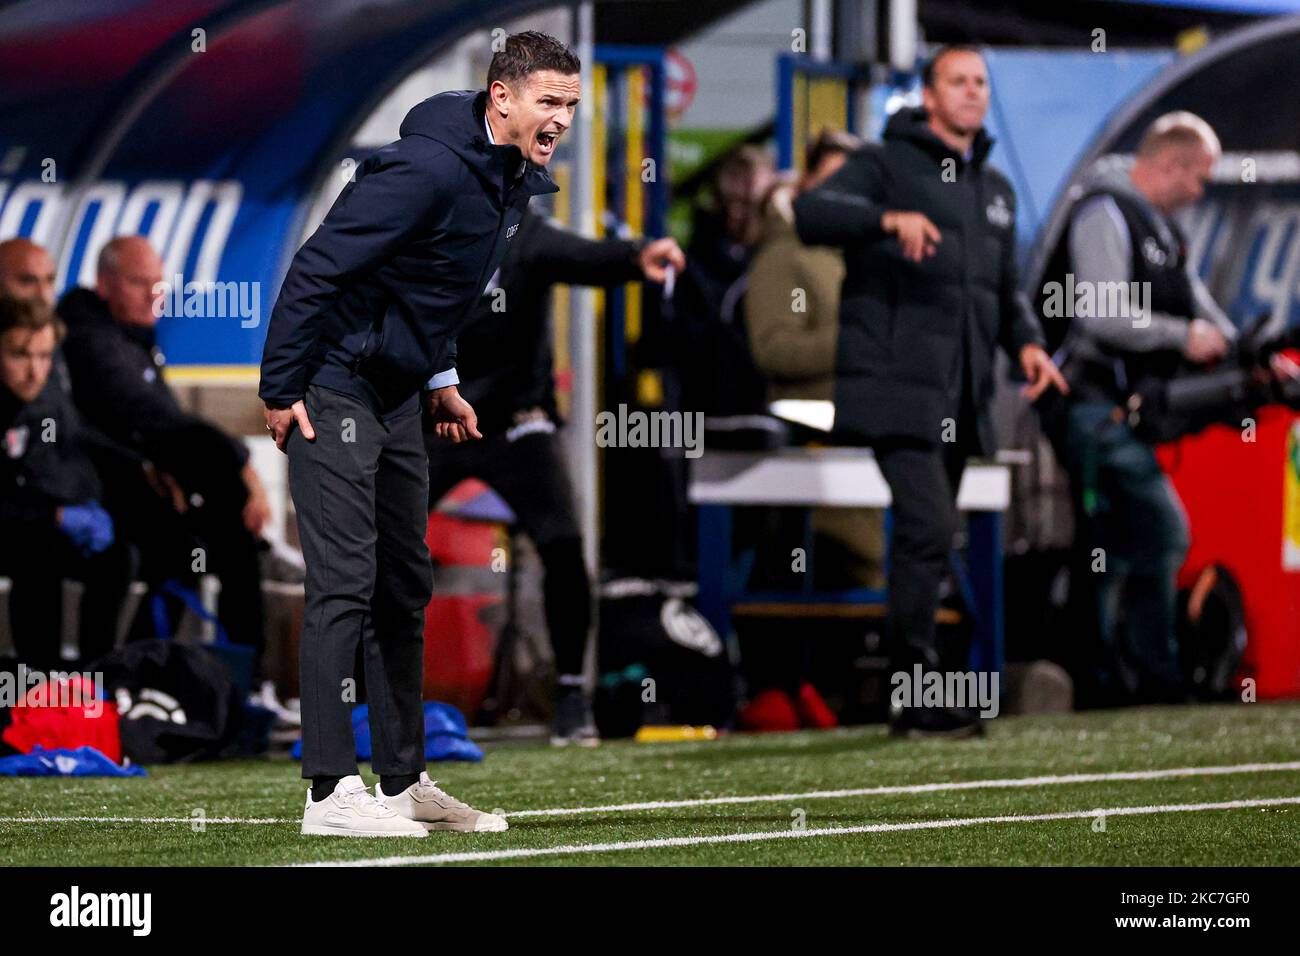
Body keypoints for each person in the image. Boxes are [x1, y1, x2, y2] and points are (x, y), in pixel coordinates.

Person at [260, 31, 579, 837]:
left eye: (570, 106)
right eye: (548, 102)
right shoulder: (429, 168)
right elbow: (318, 267)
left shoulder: (509, 176)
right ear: (501, 97)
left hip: (399, 393)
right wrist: (280, 387)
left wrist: (441, 379)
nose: (561, 120)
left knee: (406, 586)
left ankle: (403, 783)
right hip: (332, 384)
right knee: (344, 583)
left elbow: (432, 286)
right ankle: (330, 793)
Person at [793, 45, 1066, 737]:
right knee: (926, 527)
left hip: (962, 398)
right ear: (931, 93)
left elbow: (1003, 291)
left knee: (930, 534)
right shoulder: (886, 164)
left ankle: (919, 688)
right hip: (894, 389)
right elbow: (812, 213)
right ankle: (912, 693)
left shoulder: (997, 190)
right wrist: (886, 220)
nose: (973, 92)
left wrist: (1029, 343)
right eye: (958, 81)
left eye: (981, 82)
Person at [425, 207, 684, 746]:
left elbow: (583, 257)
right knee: (380, 546)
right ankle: (358, 694)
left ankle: (570, 692)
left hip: (518, 419)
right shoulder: (421, 227)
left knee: (563, 545)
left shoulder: (523, 230)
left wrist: (637, 256)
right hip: (437, 416)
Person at [1036, 112, 1248, 704]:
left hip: (1116, 408)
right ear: (1171, 164)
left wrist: (1250, 354)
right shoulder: (1104, 210)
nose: (1200, 190)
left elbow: (1209, 318)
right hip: (1086, 403)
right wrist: (1183, 337)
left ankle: (1114, 676)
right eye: (1199, 177)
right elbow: (1100, 316)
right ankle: (1139, 676)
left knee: (1118, 540)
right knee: (1157, 529)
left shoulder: (1161, 231)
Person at [57, 237, 270, 659]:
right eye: (140, 282)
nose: (155, 294)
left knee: (228, 537)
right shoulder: (86, 333)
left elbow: (163, 423)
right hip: (91, 490)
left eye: (160, 282)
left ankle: (230, 677)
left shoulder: (136, 336)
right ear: (105, 284)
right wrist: (241, 463)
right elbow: (147, 416)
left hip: (139, 484)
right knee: (186, 547)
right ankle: (131, 676)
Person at [0, 297, 133, 673]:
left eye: (44, 357)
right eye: (20, 355)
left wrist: (147, 467)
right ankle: (39, 681)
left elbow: (74, 442)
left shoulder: (46, 393)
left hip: (35, 519)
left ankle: (97, 678)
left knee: (118, 557)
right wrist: (54, 514)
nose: (34, 371)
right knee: (36, 552)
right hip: (21, 529)